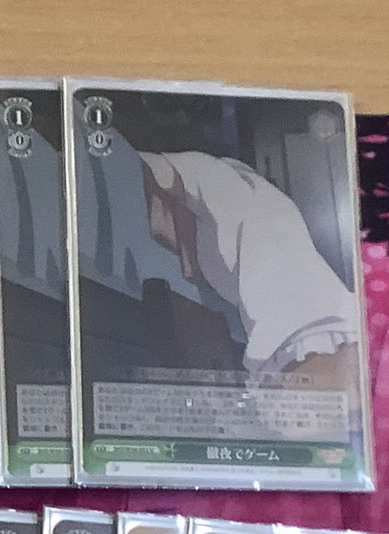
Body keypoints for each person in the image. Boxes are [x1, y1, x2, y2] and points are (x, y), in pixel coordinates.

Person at [138, 147, 359, 391]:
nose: (172, 247)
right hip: (307, 340)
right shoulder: (251, 212)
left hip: (310, 338)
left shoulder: (221, 184)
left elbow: (153, 167)